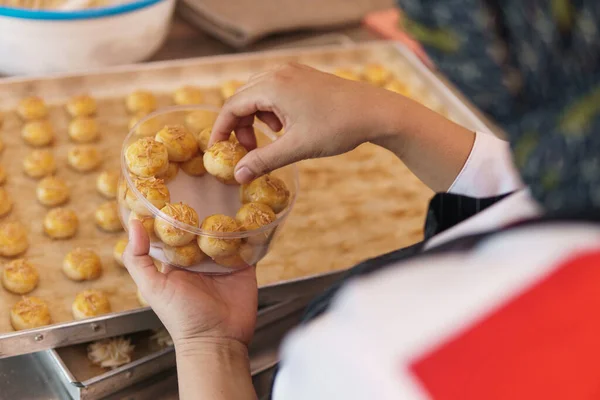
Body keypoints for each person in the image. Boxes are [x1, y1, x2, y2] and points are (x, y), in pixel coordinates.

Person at [124, 1, 600, 398]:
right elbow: (522, 199)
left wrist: (211, 344)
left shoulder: (379, 356)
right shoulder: (580, 171)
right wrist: (391, 118)